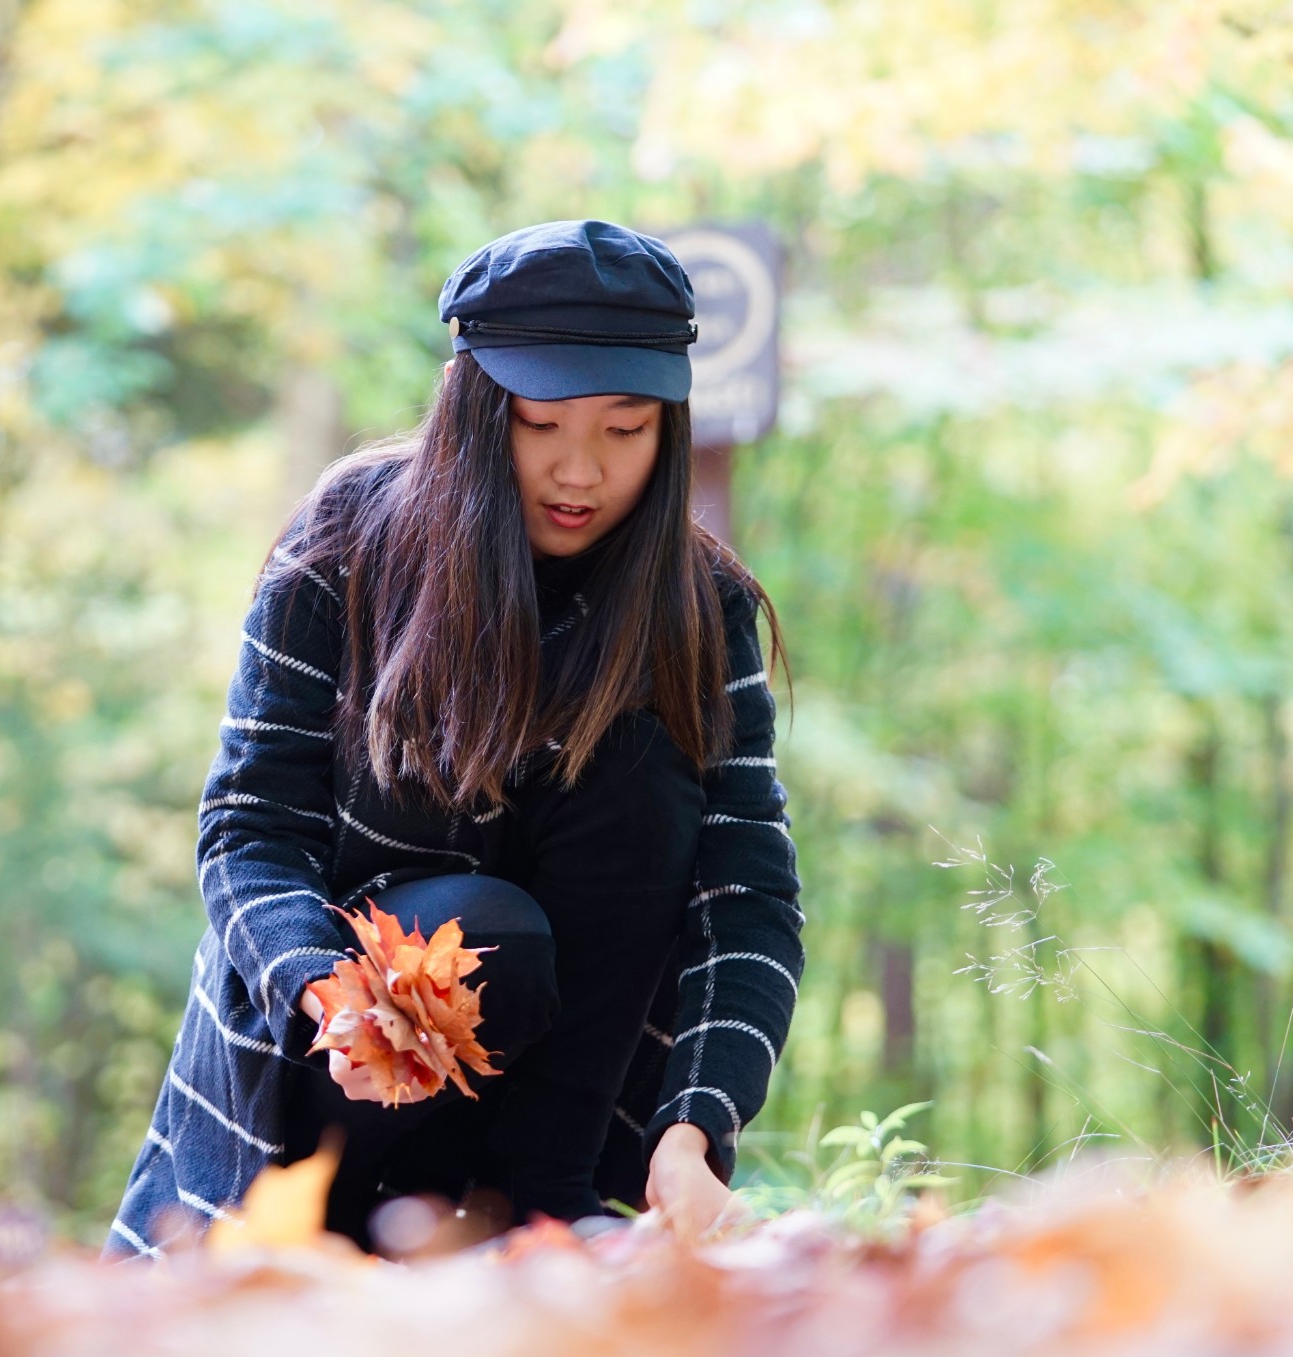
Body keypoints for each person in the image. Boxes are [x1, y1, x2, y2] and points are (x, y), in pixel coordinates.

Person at [105, 220, 803, 1261]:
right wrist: (319, 990)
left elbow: (744, 895)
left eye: (624, 430)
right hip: (329, 1074)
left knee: (641, 770)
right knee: (492, 930)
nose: (580, 472)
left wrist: (691, 1129)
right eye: (540, 424)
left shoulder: (698, 606)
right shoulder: (345, 540)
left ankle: (544, 1211)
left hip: (562, 1126)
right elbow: (249, 827)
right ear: (474, 404)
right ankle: (341, 1223)